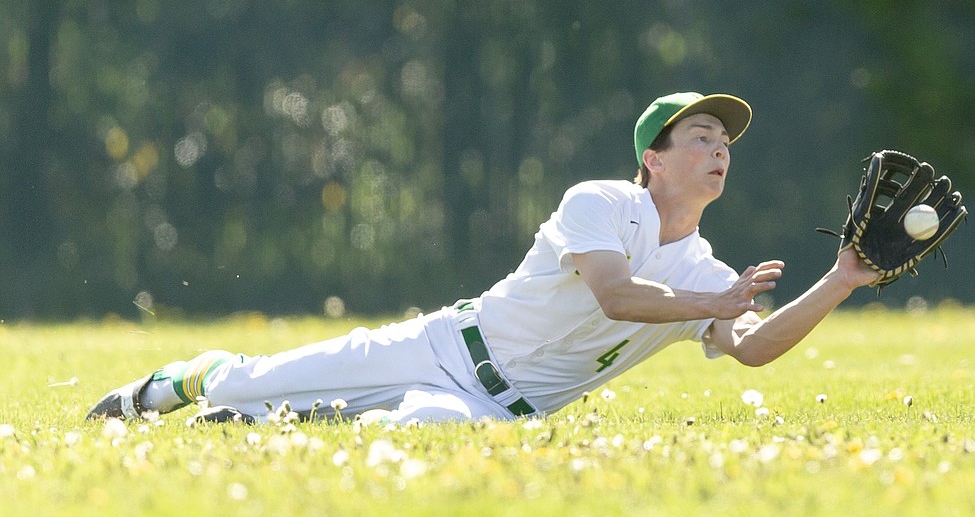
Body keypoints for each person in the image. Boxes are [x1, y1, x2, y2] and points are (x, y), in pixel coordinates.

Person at [86, 92, 880, 425]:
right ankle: (186, 382)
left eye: (726, 144)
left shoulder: (708, 272)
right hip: (441, 343)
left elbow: (753, 349)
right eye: (701, 139)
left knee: (423, 430)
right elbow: (614, 294)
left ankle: (282, 423)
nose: (719, 152)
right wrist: (712, 307)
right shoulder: (600, 203)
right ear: (654, 161)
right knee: (249, 379)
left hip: (498, 409)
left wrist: (840, 279)